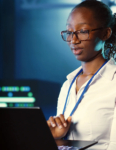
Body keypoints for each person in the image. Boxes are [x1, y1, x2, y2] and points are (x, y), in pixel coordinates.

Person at [47, 0, 116, 149]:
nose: (73, 40)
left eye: (83, 31)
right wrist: (55, 138)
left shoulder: (114, 83)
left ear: (105, 33)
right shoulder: (67, 85)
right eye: (69, 32)